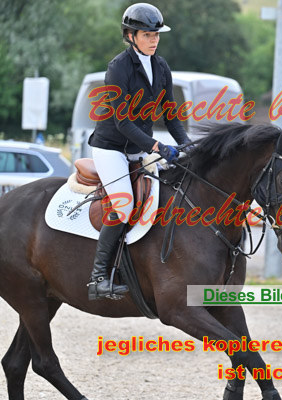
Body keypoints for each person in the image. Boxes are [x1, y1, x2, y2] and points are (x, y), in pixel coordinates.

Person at [87, 3, 191, 300]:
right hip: (111, 148)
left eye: (156, 35)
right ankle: (98, 278)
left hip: (138, 148)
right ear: (130, 36)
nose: (154, 40)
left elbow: (171, 114)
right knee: (124, 206)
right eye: (147, 35)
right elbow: (123, 123)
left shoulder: (161, 66)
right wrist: (158, 147)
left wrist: (187, 145)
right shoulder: (118, 67)